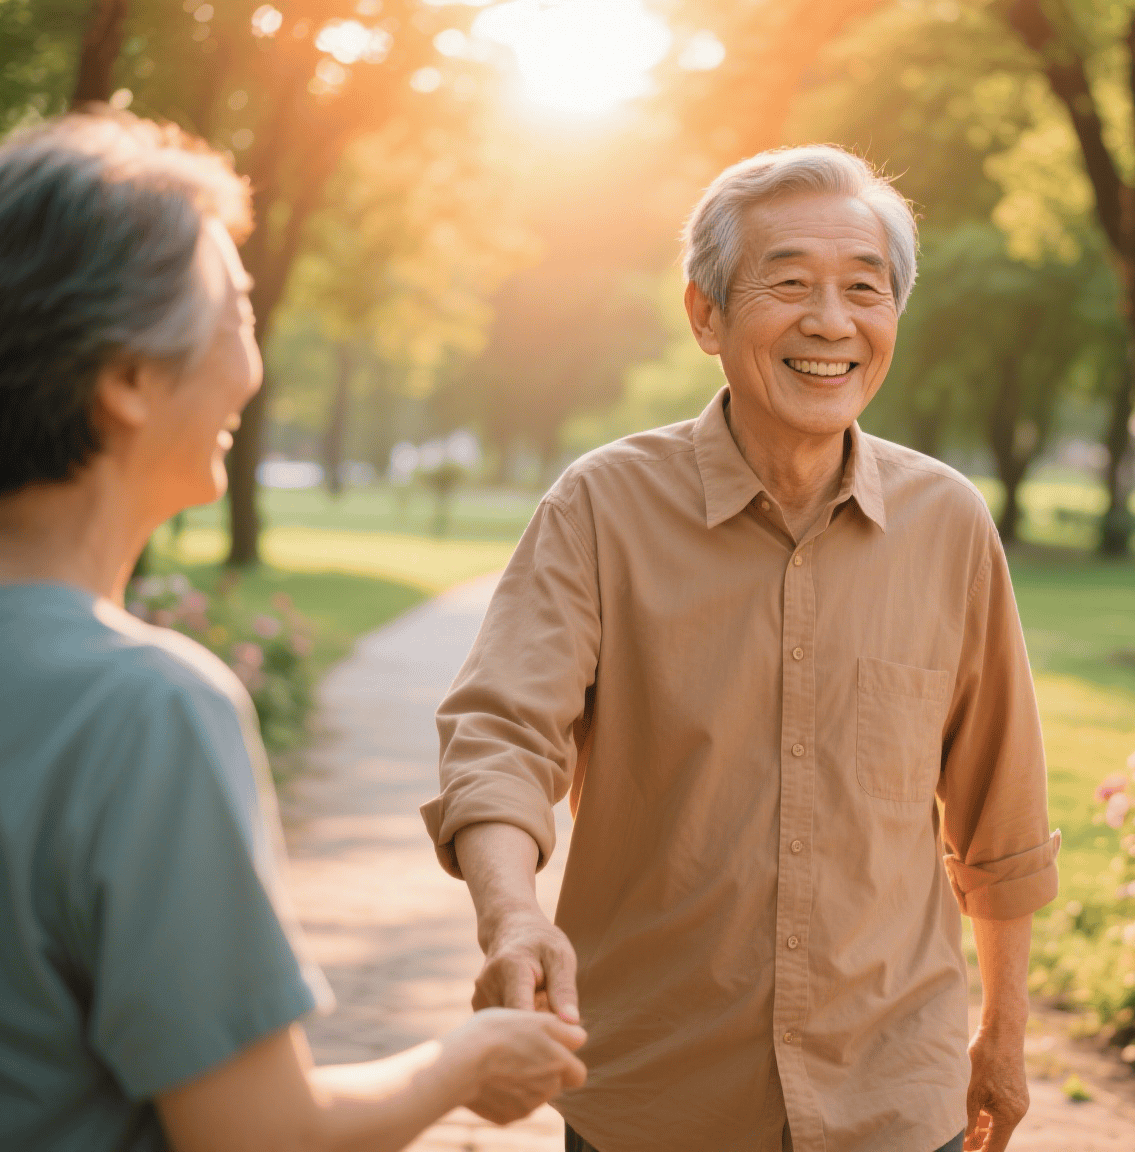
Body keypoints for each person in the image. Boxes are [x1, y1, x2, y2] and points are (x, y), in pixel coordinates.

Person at [422, 144, 1060, 1152]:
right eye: (791, 283)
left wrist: (1006, 1030)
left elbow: (1001, 812)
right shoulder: (602, 507)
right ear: (707, 315)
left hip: (894, 1098)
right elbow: (500, 736)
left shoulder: (949, 523)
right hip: (656, 1101)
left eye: (865, 288)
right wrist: (513, 921)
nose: (831, 322)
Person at [0, 111, 586, 1152]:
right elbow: (258, 1133)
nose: (251, 368)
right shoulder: (143, 711)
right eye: (238, 312)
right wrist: (471, 1058)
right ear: (127, 379)